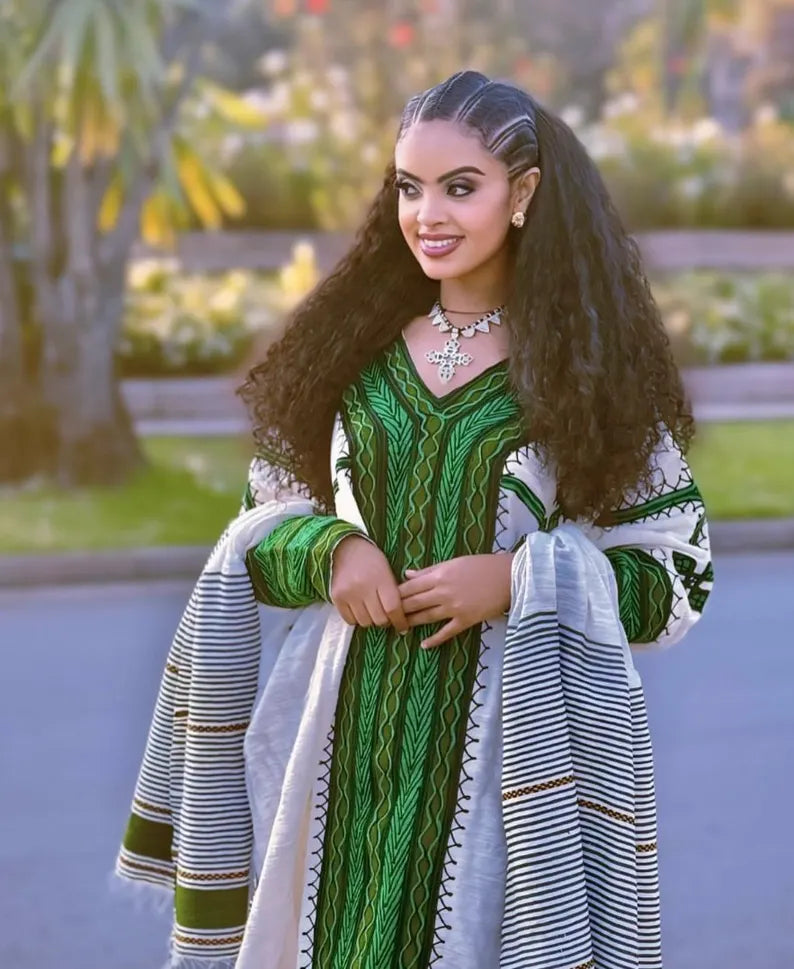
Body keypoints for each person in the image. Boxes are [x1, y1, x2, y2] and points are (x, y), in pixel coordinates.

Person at [117, 71, 714, 969]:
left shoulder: (589, 377)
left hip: (501, 767)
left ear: (524, 194)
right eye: (409, 186)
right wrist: (332, 548)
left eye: (459, 187)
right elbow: (260, 530)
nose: (426, 213)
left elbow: (678, 575)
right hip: (338, 751)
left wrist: (515, 580)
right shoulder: (352, 357)